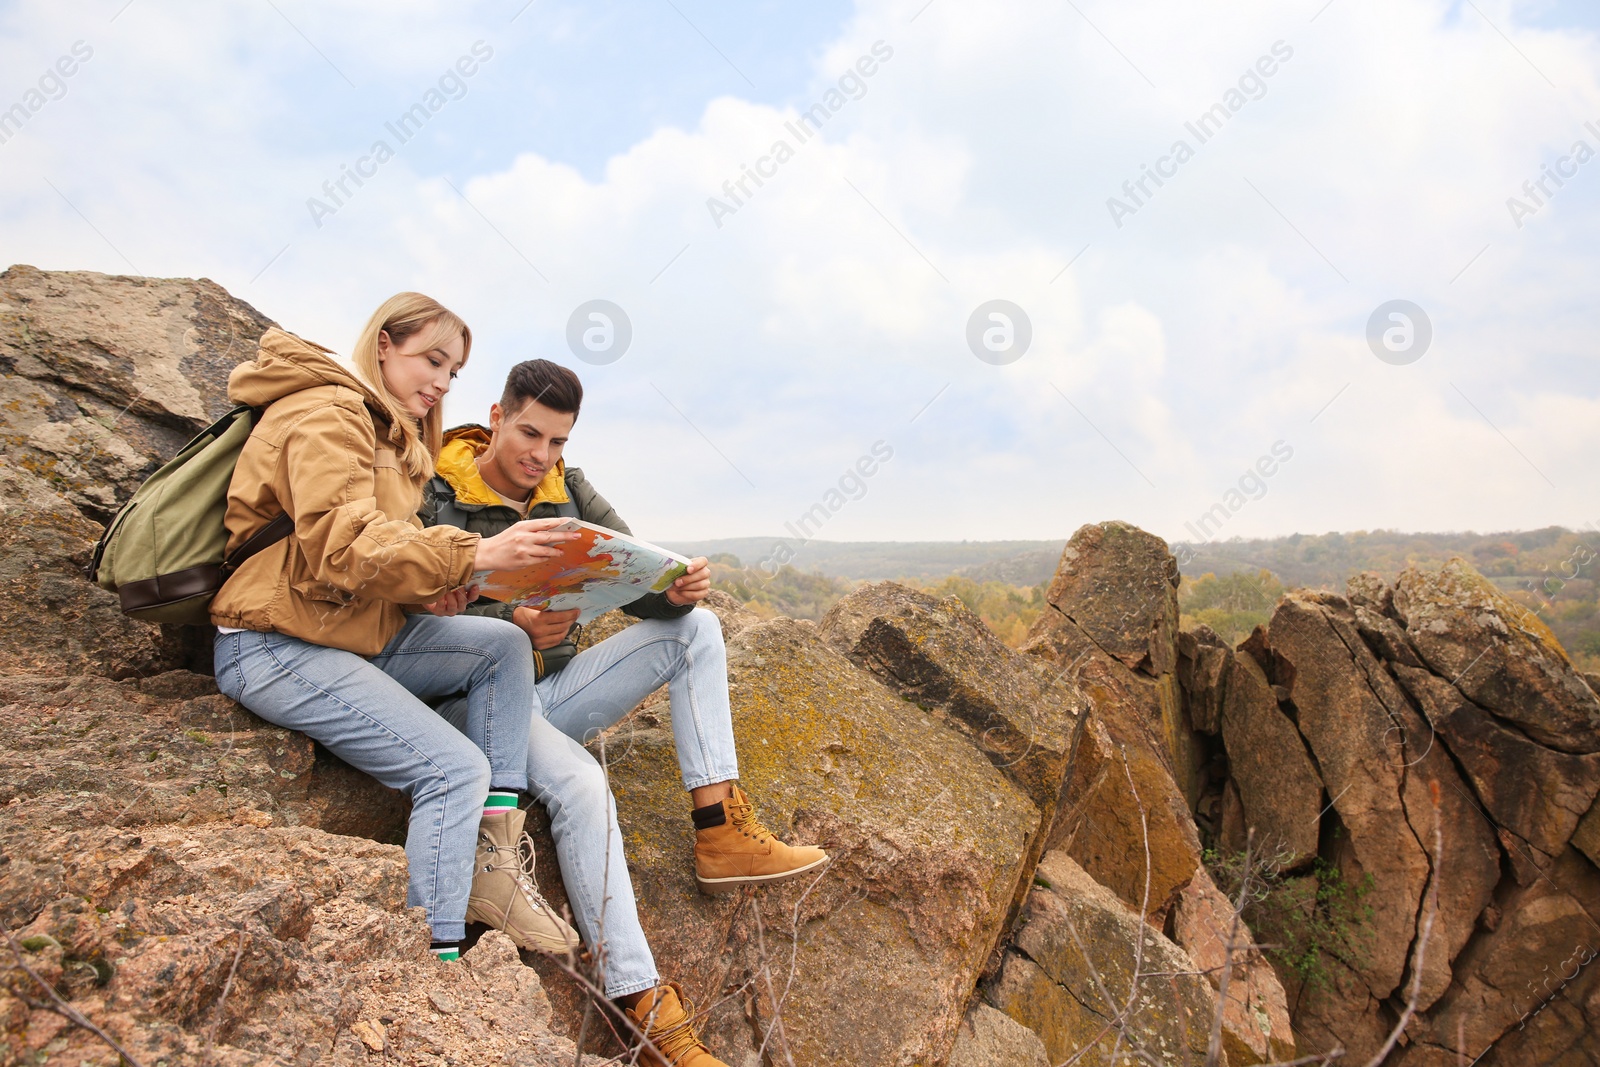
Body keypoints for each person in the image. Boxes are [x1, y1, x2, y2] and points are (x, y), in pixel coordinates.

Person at [420, 359, 829, 1065]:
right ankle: (643, 1008)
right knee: (581, 783)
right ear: (495, 415)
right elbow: (409, 603)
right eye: (529, 433)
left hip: (552, 692)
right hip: (474, 706)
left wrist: (676, 588)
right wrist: (508, 619)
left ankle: (720, 827)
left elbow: (639, 579)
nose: (540, 455)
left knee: (695, 628)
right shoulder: (436, 490)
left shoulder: (566, 488)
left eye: (557, 442)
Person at [210, 293, 585, 969]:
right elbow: (339, 546)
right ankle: (432, 961)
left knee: (502, 643)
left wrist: (444, 590)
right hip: (273, 642)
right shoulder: (324, 412)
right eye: (431, 359)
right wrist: (477, 553)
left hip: (346, 631)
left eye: (454, 370)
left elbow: (382, 556)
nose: (442, 381)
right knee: (451, 767)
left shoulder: (388, 433)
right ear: (384, 344)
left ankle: (495, 859)